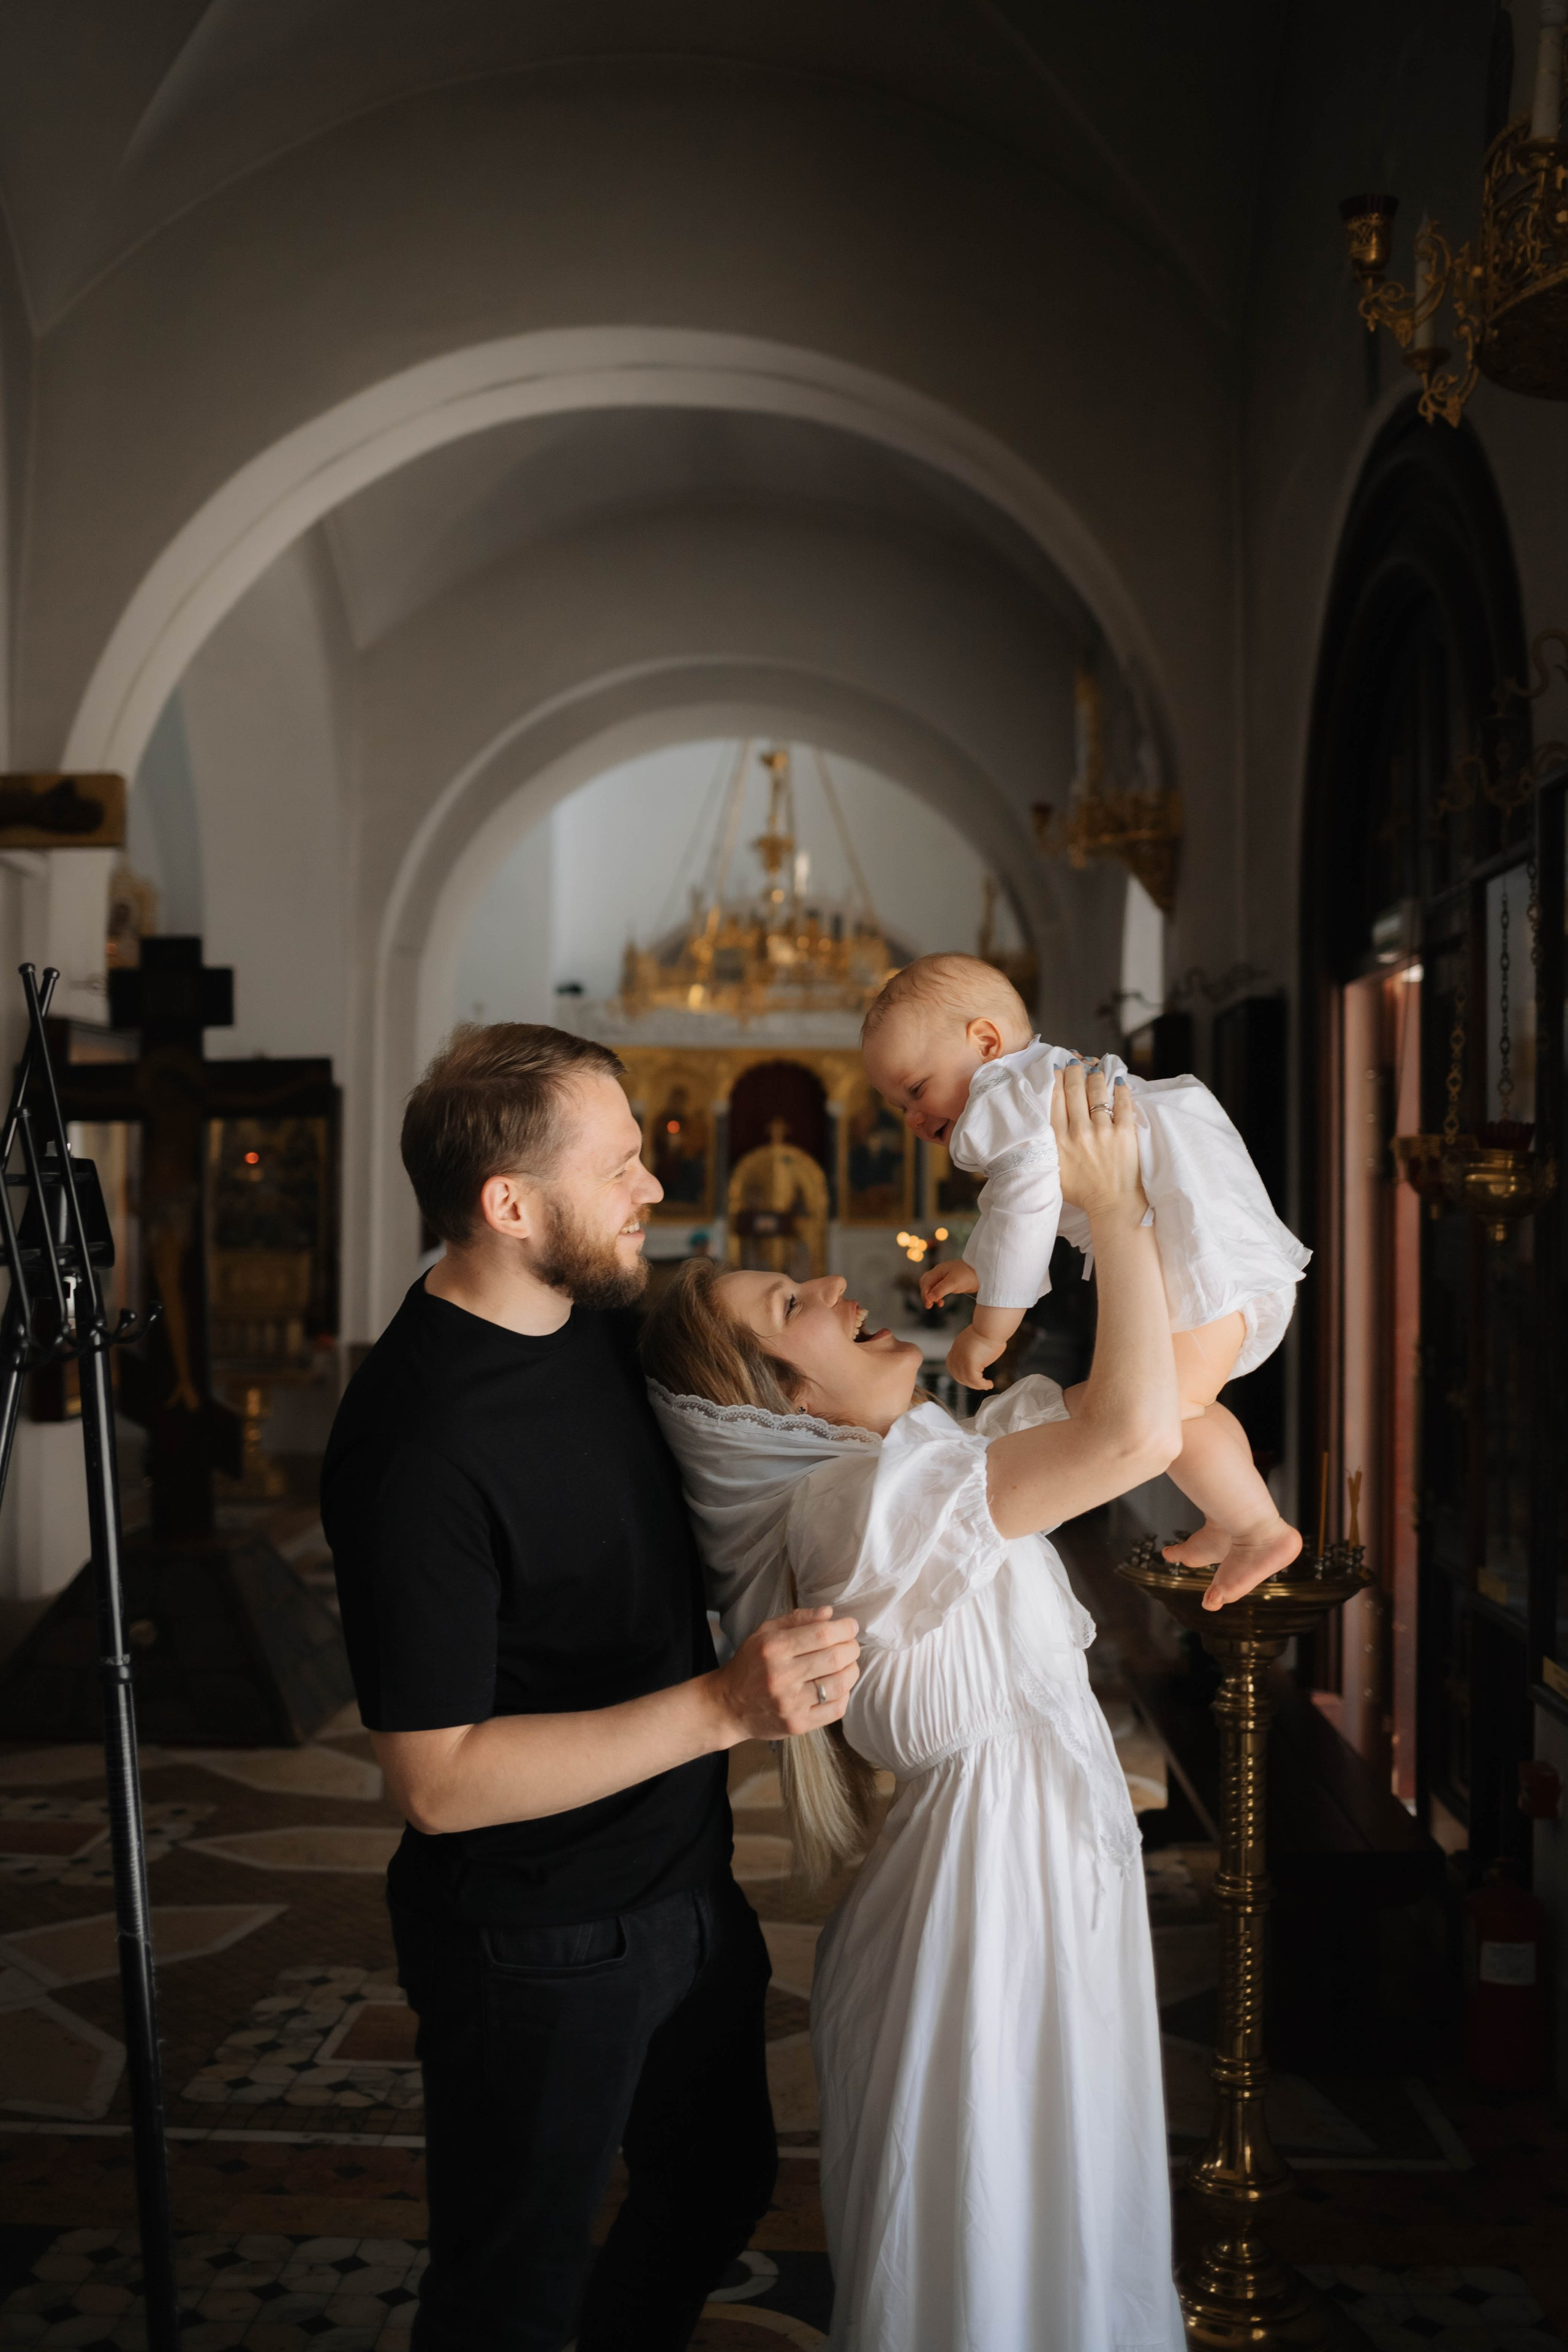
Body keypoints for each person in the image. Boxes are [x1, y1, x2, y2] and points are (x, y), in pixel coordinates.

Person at [321, 1024, 862, 2352]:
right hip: (536, 1939)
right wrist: (723, 1711)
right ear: (509, 1205)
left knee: (717, 2186)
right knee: (510, 2285)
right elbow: (435, 1784)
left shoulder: (600, 1327)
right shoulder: (417, 1443)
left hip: (683, 1886)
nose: (652, 1191)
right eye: (619, 1165)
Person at [641, 1060, 1187, 2352]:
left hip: (1023, 1890)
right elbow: (1129, 1438)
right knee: (993, 2263)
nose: (835, 1287)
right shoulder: (850, 1506)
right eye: (793, 1303)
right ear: (771, 1401)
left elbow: (1136, 1419)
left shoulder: (890, 1477)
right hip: (980, 1925)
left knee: (1054, 2241)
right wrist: (1110, 1210)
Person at [861, 951, 1311, 1608]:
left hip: (1202, 1265)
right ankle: (1238, 1522)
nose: (911, 1118)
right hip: (1223, 1257)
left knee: (1160, 1408)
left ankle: (1255, 1527)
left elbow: (1023, 1209)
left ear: (985, 1043)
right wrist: (979, 1263)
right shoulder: (1032, 1084)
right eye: (897, 1104)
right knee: (1183, 1406)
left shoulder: (999, 1100)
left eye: (915, 1089)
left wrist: (991, 1327)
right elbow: (1021, 1202)